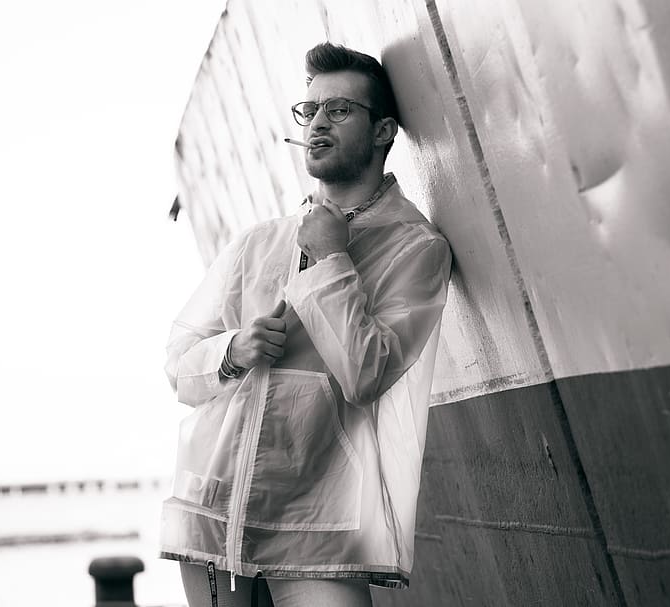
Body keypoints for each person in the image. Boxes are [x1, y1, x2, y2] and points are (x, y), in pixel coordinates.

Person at [161, 41, 452, 607]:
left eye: (340, 110)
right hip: (216, 515)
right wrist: (231, 350)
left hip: (318, 528)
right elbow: (178, 365)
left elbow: (365, 374)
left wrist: (331, 262)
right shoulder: (257, 242)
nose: (318, 123)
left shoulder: (417, 249)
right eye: (310, 110)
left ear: (383, 131)